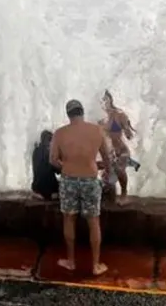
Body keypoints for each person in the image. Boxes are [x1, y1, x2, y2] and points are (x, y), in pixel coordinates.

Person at [50, 99, 110, 276]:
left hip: (68, 180)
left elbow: (53, 160)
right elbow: (107, 158)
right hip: (90, 180)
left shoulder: (60, 133)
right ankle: (95, 265)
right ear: (82, 112)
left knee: (69, 219)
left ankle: (70, 261)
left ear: (68, 114)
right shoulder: (97, 130)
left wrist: (67, 166)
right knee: (93, 221)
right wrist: (104, 170)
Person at [101, 90, 139, 204]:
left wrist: (127, 130)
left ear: (110, 99)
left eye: (105, 98)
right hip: (109, 154)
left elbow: (129, 135)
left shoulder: (119, 114)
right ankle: (131, 163)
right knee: (108, 182)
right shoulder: (98, 118)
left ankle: (124, 194)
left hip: (122, 151)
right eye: (101, 99)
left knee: (119, 168)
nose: (103, 101)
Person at [31, 130, 61, 200]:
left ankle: (37, 194)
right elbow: (58, 170)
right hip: (50, 189)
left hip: (36, 187)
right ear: (49, 141)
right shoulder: (50, 153)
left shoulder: (36, 150)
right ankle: (49, 195)